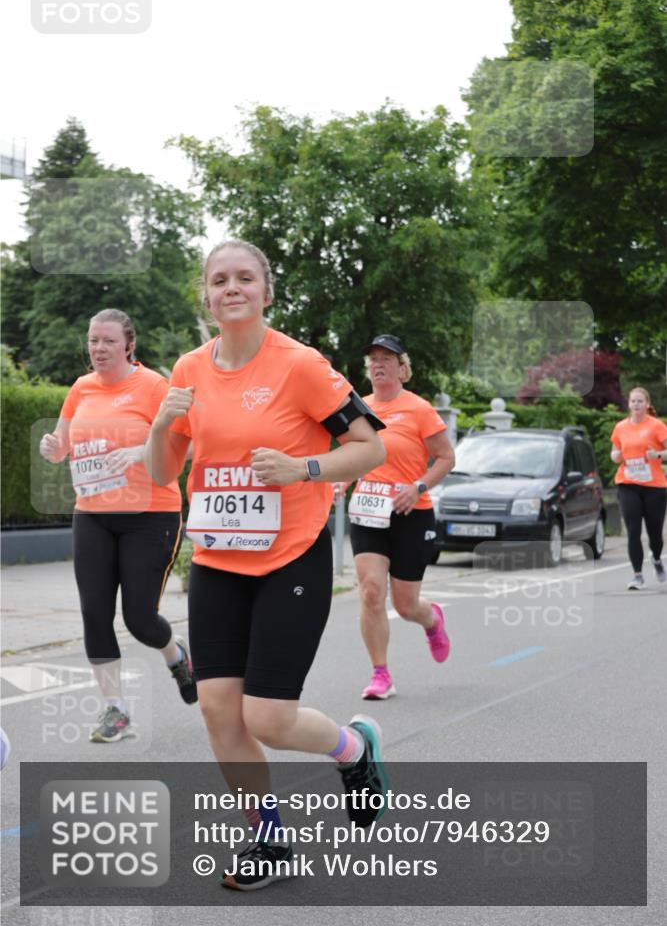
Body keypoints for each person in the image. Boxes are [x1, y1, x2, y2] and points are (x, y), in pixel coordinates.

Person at [144, 240, 389, 891]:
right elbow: (162, 472)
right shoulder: (188, 369)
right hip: (217, 561)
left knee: (269, 719)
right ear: (205, 295)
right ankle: (269, 839)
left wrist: (303, 467)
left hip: (290, 558)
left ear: (266, 292)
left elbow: (369, 447)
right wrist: (160, 426)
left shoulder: (300, 365)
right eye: (219, 279)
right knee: (218, 711)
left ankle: (354, 749)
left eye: (244, 278)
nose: (232, 288)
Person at [39, 309, 196, 743]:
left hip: (151, 515)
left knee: (140, 619)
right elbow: (62, 446)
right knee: (94, 613)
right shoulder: (81, 388)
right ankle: (116, 710)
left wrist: (141, 452)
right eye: (93, 340)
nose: (99, 348)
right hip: (92, 514)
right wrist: (52, 448)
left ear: (129, 345)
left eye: (109, 341)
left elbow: (185, 445)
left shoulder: (154, 387)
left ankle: (176, 655)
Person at [342, 334, 455, 701]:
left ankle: (431, 619)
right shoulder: (359, 408)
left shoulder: (419, 408)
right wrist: (342, 479)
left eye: (386, 359)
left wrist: (418, 487)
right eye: (373, 359)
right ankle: (381, 674)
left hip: (411, 512)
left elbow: (446, 458)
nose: (378, 365)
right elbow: (352, 455)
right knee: (371, 591)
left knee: (405, 605)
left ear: (402, 368)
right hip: (368, 511)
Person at [610, 387, 667, 589]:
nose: (636, 404)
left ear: (647, 404)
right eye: (633, 401)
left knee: (655, 533)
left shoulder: (656, 426)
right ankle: (637, 575)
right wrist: (616, 456)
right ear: (628, 404)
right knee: (633, 530)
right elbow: (614, 452)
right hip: (628, 484)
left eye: (640, 401)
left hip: (654, 487)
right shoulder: (620, 427)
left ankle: (657, 559)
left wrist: (657, 455)